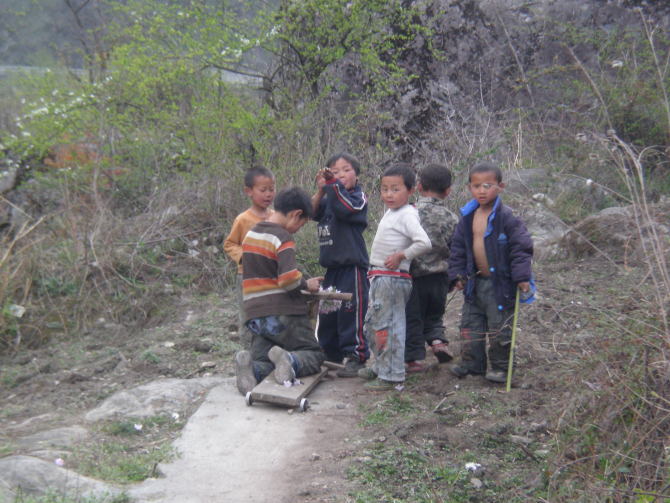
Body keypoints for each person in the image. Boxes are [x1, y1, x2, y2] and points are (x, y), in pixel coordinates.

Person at [447, 162, 534, 383]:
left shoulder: (507, 217)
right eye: (476, 186)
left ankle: (501, 368)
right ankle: (472, 364)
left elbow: (521, 248)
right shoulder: (468, 216)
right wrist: (457, 275)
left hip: (500, 285)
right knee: (471, 324)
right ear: (469, 188)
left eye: (487, 185)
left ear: (500, 186)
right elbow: (457, 248)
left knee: (500, 327)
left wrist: (522, 277)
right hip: (474, 283)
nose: (482, 191)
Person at [234, 187, 325, 395]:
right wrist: (307, 284)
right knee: (313, 354)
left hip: (256, 315)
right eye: (302, 223)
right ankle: (290, 360)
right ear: (295, 214)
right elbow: (288, 280)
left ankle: (253, 370)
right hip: (283, 312)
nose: (299, 229)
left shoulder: (251, 235)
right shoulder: (282, 237)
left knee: (265, 359)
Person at [358, 163, 431, 391]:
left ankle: (391, 375)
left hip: (392, 279)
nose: (389, 194)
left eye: (395, 189)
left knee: (387, 326)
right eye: (385, 189)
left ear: (410, 191)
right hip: (381, 278)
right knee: (374, 324)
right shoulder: (393, 212)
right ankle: (381, 366)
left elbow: (424, 243)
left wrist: (401, 255)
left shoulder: (407, 214)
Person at [311, 152, 370, 377]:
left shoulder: (357, 197)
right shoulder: (328, 198)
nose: (340, 175)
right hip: (332, 268)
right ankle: (330, 354)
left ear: (356, 175)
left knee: (350, 312)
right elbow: (310, 212)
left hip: (352, 266)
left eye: (346, 170)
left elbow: (347, 209)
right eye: (335, 172)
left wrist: (333, 185)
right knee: (328, 312)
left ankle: (356, 356)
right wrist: (321, 190)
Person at [404, 164, 459, 373]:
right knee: (435, 315)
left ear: (418, 187)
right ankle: (438, 342)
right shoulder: (451, 218)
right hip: (439, 277)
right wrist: (455, 278)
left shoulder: (410, 213)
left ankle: (413, 359)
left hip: (413, 276)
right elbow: (456, 249)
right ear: (448, 191)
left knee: (413, 318)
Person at [223, 166, 275, 347]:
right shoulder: (243, 219)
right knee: (249, 317)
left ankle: (268, 354)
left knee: (271, 316)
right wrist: (244, 257)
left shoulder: (275, 217)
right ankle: (248, 354)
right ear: (249, 191)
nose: (268, 194)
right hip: (247, 277)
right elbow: (230, 244)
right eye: (263, 190)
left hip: (271, 277)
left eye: (271, 189)